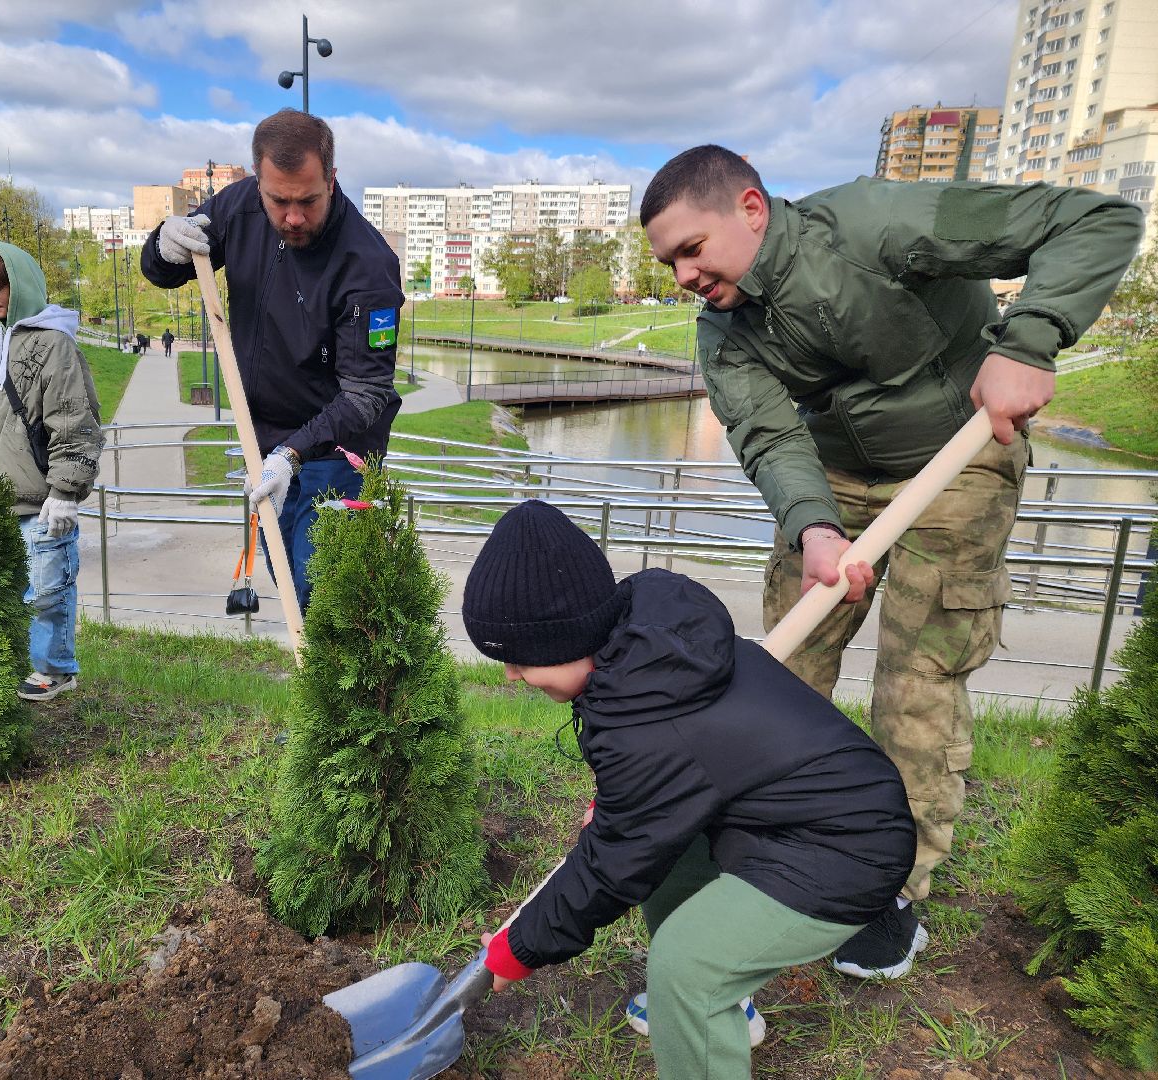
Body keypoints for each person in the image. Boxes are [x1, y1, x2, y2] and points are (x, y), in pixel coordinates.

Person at [640, 145, 1143, 977]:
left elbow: (1095, 218)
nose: (684, 274)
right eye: (669, 263)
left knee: (916, 684)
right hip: (832, 480)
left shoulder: (876, 225)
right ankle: (775, 841)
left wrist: (1031, 339)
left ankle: (885, 886)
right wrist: (813, 529)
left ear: (752, 208)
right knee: (785, 673)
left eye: (693, 248)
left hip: (960, 457)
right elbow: (768, 433)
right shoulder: (722, 335)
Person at [463, 501, 915, 1080]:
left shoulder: (649, 725)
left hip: (848, 850)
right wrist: (621, 804)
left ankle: (703, 997)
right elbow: (671, 788)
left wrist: (520, 948)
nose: (510, 676)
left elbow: (609, 866)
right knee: (667, 859)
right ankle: (725, 1007)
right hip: (790, 818)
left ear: (568, 637)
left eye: (521, 661)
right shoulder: (645, 651)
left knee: (684, 968)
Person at [141, 108, 403, 610]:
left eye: (308, 200)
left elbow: (366, 394)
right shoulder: (239, 209)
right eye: (278, 201)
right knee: (288, 581)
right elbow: (164, 272)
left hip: (339, 453)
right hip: (262, 439)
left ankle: (342, 685)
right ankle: (322, 681)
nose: (293, 217)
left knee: (322, 590)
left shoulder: (367, 266)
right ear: (259, 182)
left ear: (332, 179)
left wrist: (293, 452)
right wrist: (162, 244)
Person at [0, 241, 103, 702]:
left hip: (42, 499)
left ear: (20, 283)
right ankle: (13, 663)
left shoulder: (54, 345)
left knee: (48, 591)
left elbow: (74, 420)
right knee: (4, 593)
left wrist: (65, 490)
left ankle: (54, 669)